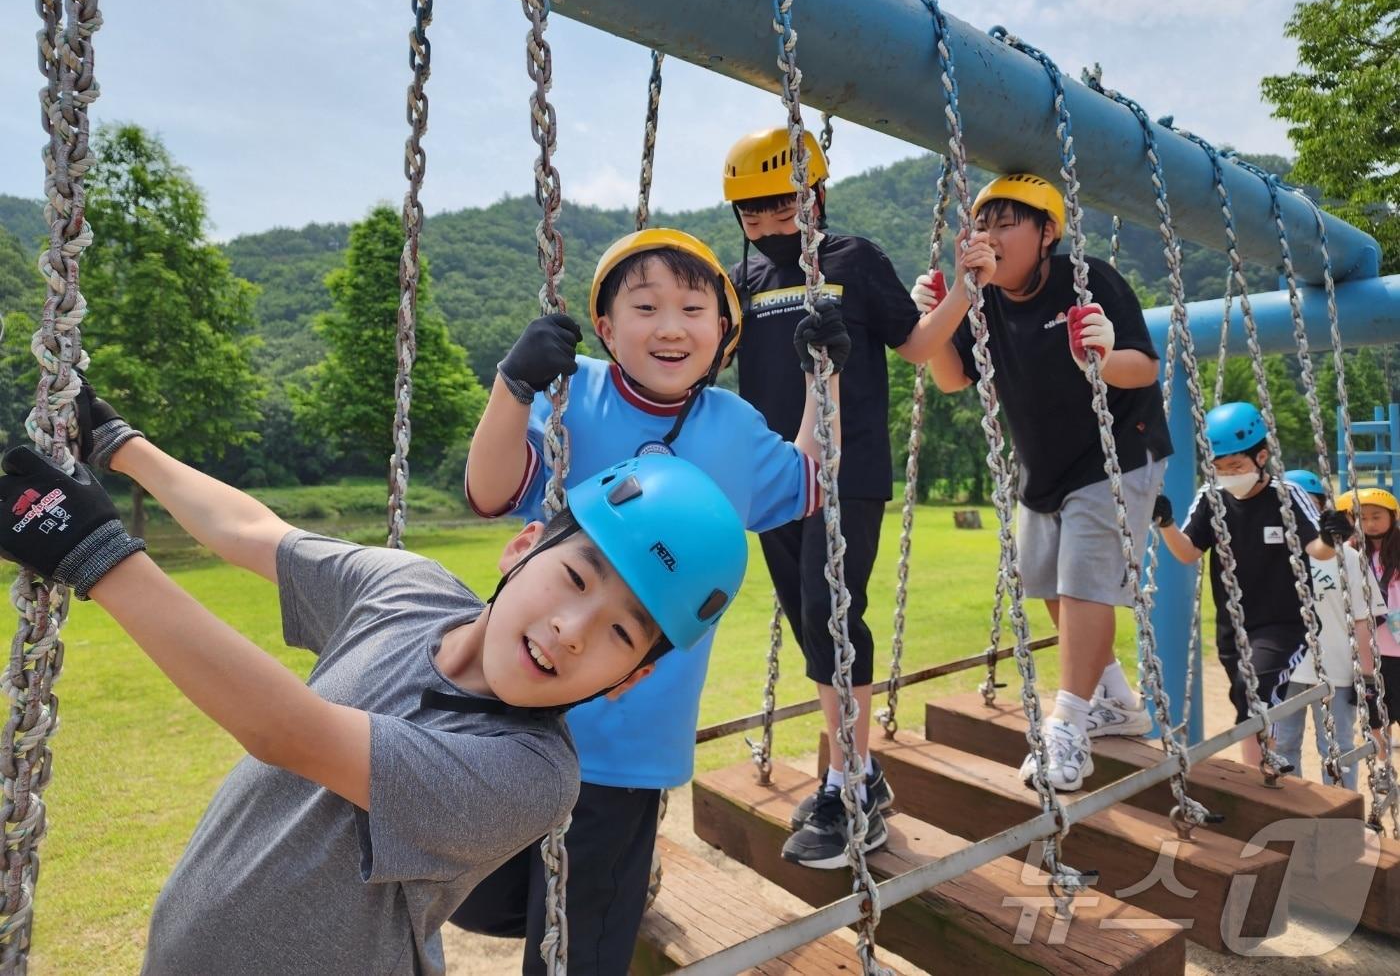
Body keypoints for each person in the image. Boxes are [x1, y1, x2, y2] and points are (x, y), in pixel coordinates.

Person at [0, 386, 748, 976]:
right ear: (523, 548)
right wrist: (120, 445)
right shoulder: (408, 590)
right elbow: (255, 534)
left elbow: (290, 732)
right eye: (576, 575)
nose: (573, 629)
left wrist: (101, 557)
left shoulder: (532, 775)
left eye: (620, 632)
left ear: (630, 678)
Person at [457, 226, 850, 971]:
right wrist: (513, 387)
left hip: (629, 737)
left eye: (695, 309)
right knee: (475, 891)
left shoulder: (733, 428)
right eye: (644, 306)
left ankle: (616, 894)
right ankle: (622, 889)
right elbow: (491, 488)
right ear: (605, 328)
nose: (671, 327)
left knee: (578, 945)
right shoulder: (575, 394)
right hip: (517, 703)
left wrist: (824, 378)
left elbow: (809, 482)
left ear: (724, 336)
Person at [722, 126, 960, 857]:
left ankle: (850, 787)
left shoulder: (853, 260)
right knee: (809, 627)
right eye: (748, 211)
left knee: (832, 616)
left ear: (813, 195)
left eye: (776, 207)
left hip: (846, 471)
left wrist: (970, 292)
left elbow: (918, 345)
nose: (763, 224)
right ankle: (858, 772)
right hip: (773, 479)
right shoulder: (743, 280)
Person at [912, 173, 1172, 792]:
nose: (990, 237)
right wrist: (941, 314)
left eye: (1007, 224)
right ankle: (1115, 699)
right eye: (982, 225)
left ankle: (1069, 727)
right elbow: (951, 379)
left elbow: (1145, 366)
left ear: (1046, 232)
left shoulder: (1088, 278)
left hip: (1114, 454)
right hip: (1044, 463)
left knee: (1085, 586)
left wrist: (1106, 355)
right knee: (1048, 583)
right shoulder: (983, 302)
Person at [1155, 403, 1353, 769]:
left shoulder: (1287, 495)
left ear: (1261, 457)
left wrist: (1331, 537)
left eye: (1237, 467)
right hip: (1234, 624)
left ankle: (1266, 765)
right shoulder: (1211, 500)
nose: (1229, 475)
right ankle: (1256, 772)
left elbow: (1317, 550)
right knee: (1245, 703)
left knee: (1256, 691)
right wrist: (1165, 523)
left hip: (1285, 621)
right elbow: (1187, 552)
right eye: (1220, 468)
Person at [1272, 470, 1384, 789]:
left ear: (1322, 509)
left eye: (1310, 505)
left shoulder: (1348, 556)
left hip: (1335, 669)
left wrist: (1365, 675)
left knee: (1338, 748)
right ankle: (1292, 813)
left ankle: (1340, 819)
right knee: (1282, 746)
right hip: (1287, 670)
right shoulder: (1274, 554)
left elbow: (1362, 620)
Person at [1354, 487, 1400, 748]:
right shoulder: (1351, 553)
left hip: (1398, 651)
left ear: (1392, 516)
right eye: (1362, 517)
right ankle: (1383, 770)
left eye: (1376, 516)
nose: (1369, 524)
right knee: (1375, 719)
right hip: (1370, 653)